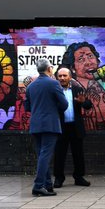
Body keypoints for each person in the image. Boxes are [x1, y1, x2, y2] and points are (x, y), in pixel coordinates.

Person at [26, 58, 68, 197]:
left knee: (41, 155)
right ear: (49, 69)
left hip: (35, 124)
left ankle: (48, 185)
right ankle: (38, 186)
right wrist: (53, 108)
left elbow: (27, 107)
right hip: (50, 124)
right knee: (46, 155)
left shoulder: (31, 86)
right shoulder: (53, 83)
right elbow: (64, 104)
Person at [53, 66, 93, 188]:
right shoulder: (55, 90)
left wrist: (83, 102)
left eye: (65, 76)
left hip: (75, 126)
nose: (62, 78)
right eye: (60, 76)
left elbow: (88, 105)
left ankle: (79, 177)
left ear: (70, 77)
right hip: (61, 126)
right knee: (59, 154)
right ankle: (59, 178)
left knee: (78, 153)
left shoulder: (77, 89)